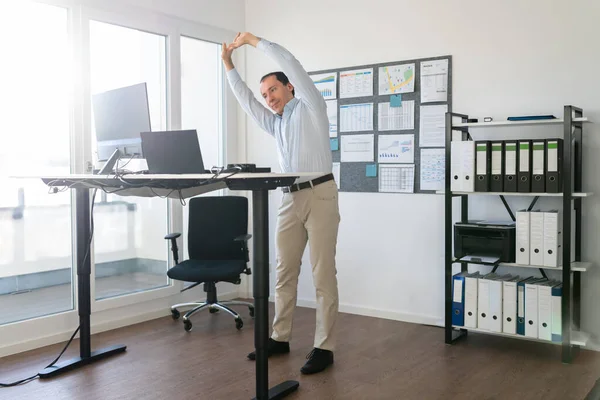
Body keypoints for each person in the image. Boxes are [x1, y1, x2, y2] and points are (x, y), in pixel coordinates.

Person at [221, 32, 340, 375]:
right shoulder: (277, 123)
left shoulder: (312, 106)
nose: (268, 98)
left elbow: (290, 64)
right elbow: (246, 101)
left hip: (319, 195)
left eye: (273, 90)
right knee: (284, 272)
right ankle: (279, 336)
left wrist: (254, 41)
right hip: (288, 198)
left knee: (322, 274)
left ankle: (324, 346)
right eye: (265, 94)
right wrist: (229, 66)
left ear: (289, 88)